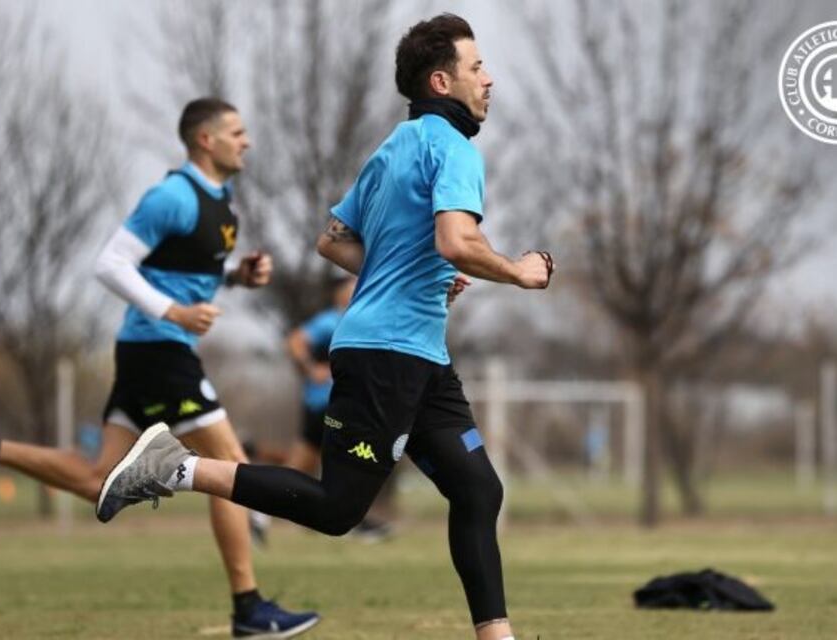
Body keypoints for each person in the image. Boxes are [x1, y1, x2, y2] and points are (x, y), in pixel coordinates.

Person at [96, 15, 553, 640]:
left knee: (477, 490)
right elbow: (457, 239)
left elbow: (333, 242)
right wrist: (520, 271)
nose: (489, 79)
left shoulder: (393, 148)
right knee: (339, 508)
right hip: (387, 355)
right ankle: (175, 467)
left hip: (418, 352)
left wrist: (409, 270)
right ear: (442, 81)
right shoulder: (453, 148)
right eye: (478, 68)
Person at [0, 98, 320, 639]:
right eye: (237, 132)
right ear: (205, 140)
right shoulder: (174, 195)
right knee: (230, 464)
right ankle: (249, 610)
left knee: (97, 479)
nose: (247, 141)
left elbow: (185, 275)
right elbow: (109, 263)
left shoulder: (223, 203)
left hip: (149, 351)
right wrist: (170, 312)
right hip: (158, 348)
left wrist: (238, 277)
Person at [248, 275, 394, 544]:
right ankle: (356, 522)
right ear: (339, 295)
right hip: (327, 405)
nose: (356, 292)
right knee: (354, 461)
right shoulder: (331, 320)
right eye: (350, 288)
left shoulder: (364, 321)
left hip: (336, 405)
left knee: (299, 467)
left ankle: (259, 515)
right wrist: (310, 368)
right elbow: (294, 341)